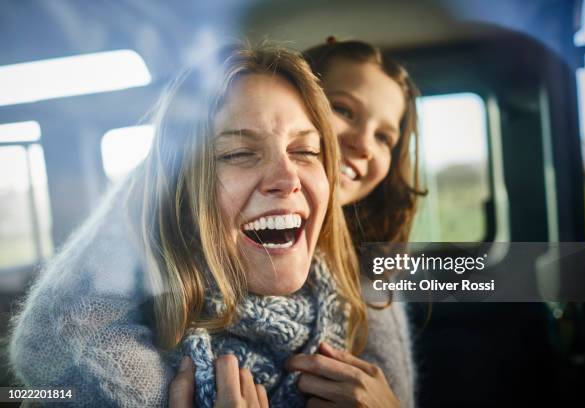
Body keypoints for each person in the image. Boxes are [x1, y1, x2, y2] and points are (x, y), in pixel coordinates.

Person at [9, 45, 368, 407]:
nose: (287, 177)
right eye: (238, 153)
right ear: (181, 195)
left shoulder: (353, 318)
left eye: (305, 151)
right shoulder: (74, 386)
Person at [172, 38, 423, 408]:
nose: (364, 145)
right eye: (344, 110)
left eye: (384, 137)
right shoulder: (173, 281)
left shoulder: (369, 286)